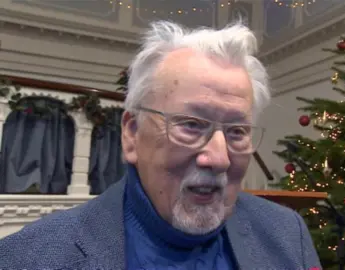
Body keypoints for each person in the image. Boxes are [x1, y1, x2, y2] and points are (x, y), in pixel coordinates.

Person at [0, 21, 321, 270]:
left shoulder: (287, 234)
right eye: (192, 125)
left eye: (237, 131)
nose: (219, 158)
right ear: (131, 134)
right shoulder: (28, 258)